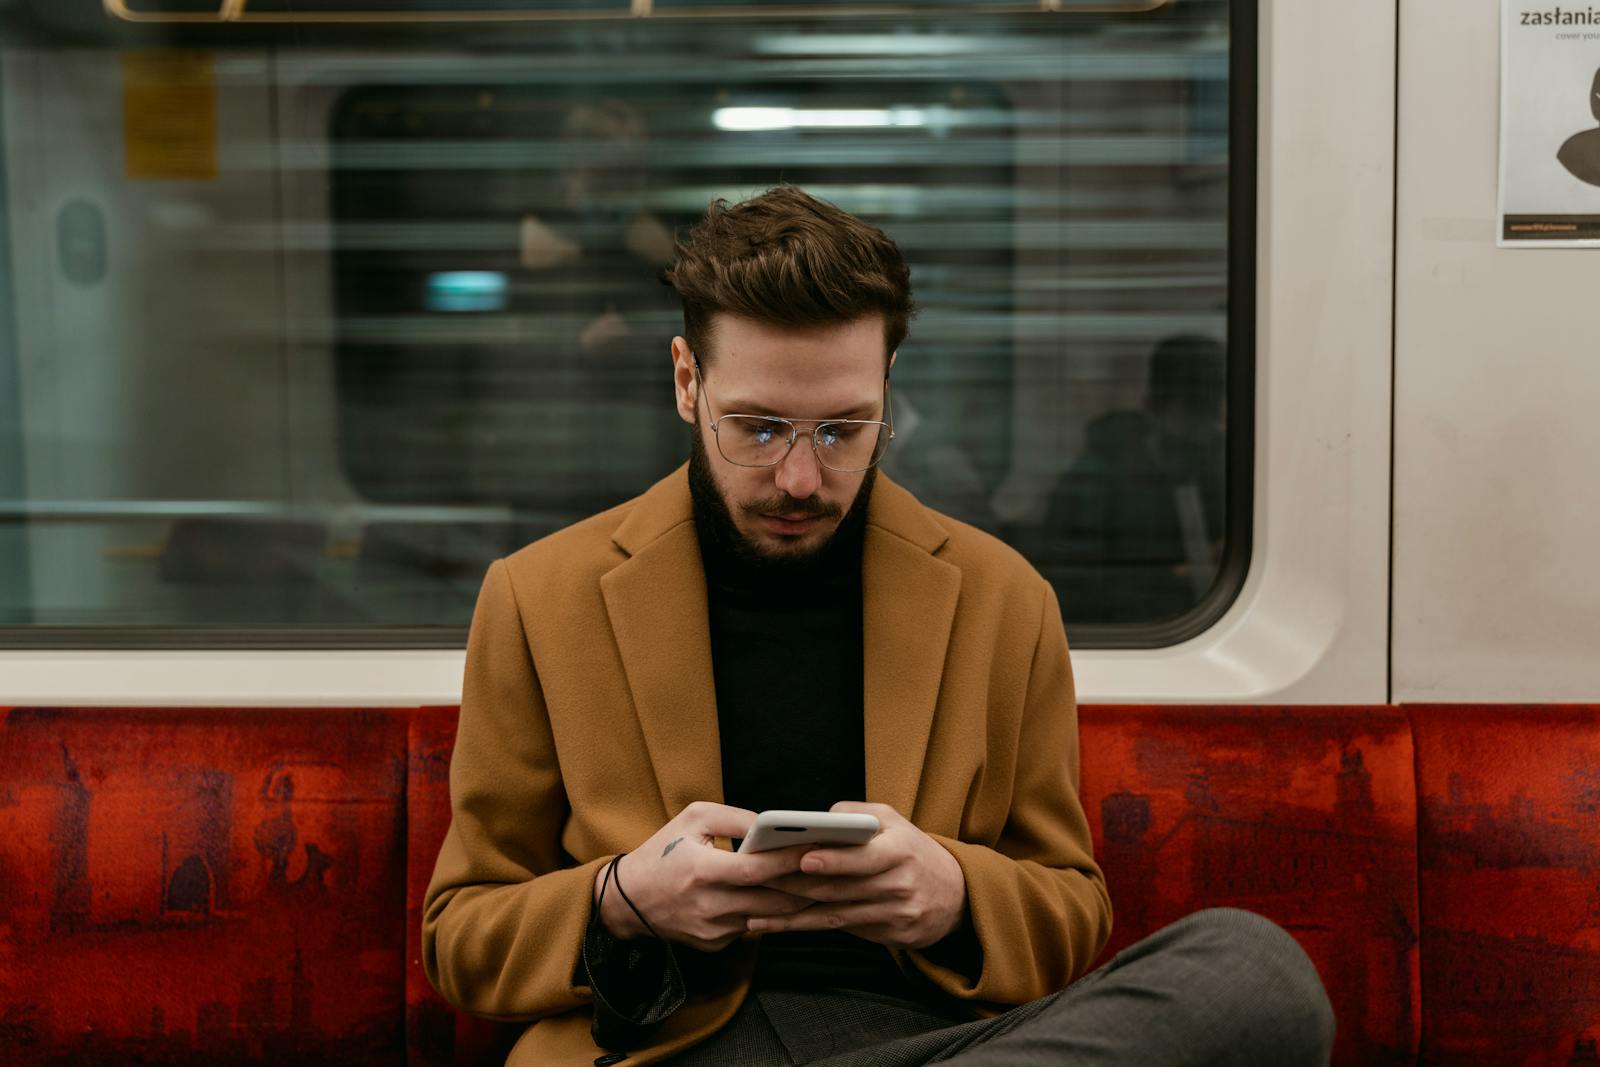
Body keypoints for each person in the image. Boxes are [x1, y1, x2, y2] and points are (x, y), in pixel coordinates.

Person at [422, 186, 1334, 1066]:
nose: (799, 479)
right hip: (668, 1043)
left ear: (888, 389)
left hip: (926, 1036)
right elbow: (462, 933)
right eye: (759, 426)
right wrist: (624, 897)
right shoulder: (543, 597)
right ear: (687, 381)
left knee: (1253, 970)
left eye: (844, 430)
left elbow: (1068, 908)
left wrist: (953, 894)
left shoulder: (1000, 598)